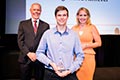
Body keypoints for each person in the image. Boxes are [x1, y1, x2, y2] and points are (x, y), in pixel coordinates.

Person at [36, 6, 84, 80]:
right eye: (59, 15)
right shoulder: (47, 34)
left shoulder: (74, 35)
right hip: (50, 73)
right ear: (55, 17)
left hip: (69, 74)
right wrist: (51, 64)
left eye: (64, 15)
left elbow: (80, 55)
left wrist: (70, 70)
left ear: (67, 17)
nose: (62, 18)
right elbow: (39, 53)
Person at [17, 3, 50, 80]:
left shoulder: (46, 25)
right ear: (30, 10)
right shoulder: (23, 24)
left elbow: (46, 43)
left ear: (41, 11)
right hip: (25, 58)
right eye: (34, 9)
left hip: (39, 59)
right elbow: (20, 41)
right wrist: (28, 53)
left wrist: (37, 55)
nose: (36, 11)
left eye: (38, 10)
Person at [72, 7, 102, 80]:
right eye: (80, 15)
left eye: (85, 15)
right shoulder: (73, 28)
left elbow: (99, 43)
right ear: (77, 16)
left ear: (88, 16)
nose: (82, 17)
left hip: (88, 58)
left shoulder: (92, 27)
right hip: (76, 59)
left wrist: (86, 45)